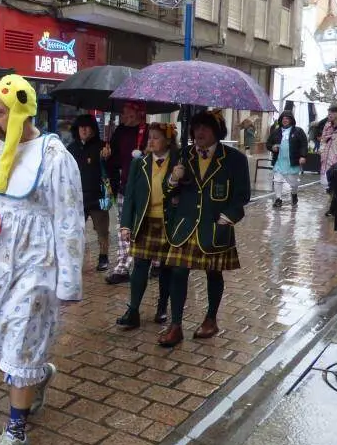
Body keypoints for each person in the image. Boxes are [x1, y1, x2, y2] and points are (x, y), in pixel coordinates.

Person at [0, 74, 84, 445]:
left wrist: (68, 281)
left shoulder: (54, 156)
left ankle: (16, 433)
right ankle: (40, 374)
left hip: (36, 264)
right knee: (2, 339)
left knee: (20, 340)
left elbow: (69, 219)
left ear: (21, 112)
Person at [158, 111, 250, 348]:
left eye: (205, 127)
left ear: (217, 131)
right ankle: (176, 325)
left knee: (213, 273)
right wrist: (173, 179)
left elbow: (242, 196)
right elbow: (168, 192)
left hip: (215, 226)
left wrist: (227, 218)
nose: (199, 132)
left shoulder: (235, 159)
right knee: (178, 272)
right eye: (196, 127)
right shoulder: (182, 155)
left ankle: (211, 319)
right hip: (185, 227)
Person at [116, 123, 177, 330]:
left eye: (156, 137)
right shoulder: (139, 163)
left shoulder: (178, 162)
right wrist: (126, 224)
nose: (151, 141)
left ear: (168, 141)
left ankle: (162, 307)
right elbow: (130, 195)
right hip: (145, 221)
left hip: (169, 222)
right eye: (149, 137)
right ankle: (133, 310)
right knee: (140, 265)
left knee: (167, 267)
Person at [104, 102, 150, 285]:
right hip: (125, 186)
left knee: (146, 225)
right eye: (124, 113)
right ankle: (122, 267)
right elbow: (114, 160)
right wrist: (107, 155)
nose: (125, 117)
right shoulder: (120, 132)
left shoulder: (149, 132)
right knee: (124, 227)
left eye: (129, 113)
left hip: (146, 188)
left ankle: (154, 261)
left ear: (139, 113)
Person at [66, 114, 111, 271]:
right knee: (75, 229)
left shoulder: (103, 147)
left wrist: (107, 158)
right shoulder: (71, 149)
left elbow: (111, 170)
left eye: (87, 127)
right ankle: (74, 257)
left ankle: (104, 257)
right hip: (77, 197)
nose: (84, 130)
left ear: (93, 129)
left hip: (98, 196)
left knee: (102, 230)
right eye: (81, 127)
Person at [268, 111, 308, 208]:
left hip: (292, 162)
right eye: (283, 118)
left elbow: (304, 144)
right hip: (279, 161)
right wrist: (272, 147)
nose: (285, 120)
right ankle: (278, 199)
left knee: (293, 183)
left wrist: (303, 156)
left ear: (291, 120)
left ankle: (294, 194)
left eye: (287, 118)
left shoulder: (298, 131)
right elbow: (268, 143)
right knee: (277, 180)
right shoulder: (276, 132)